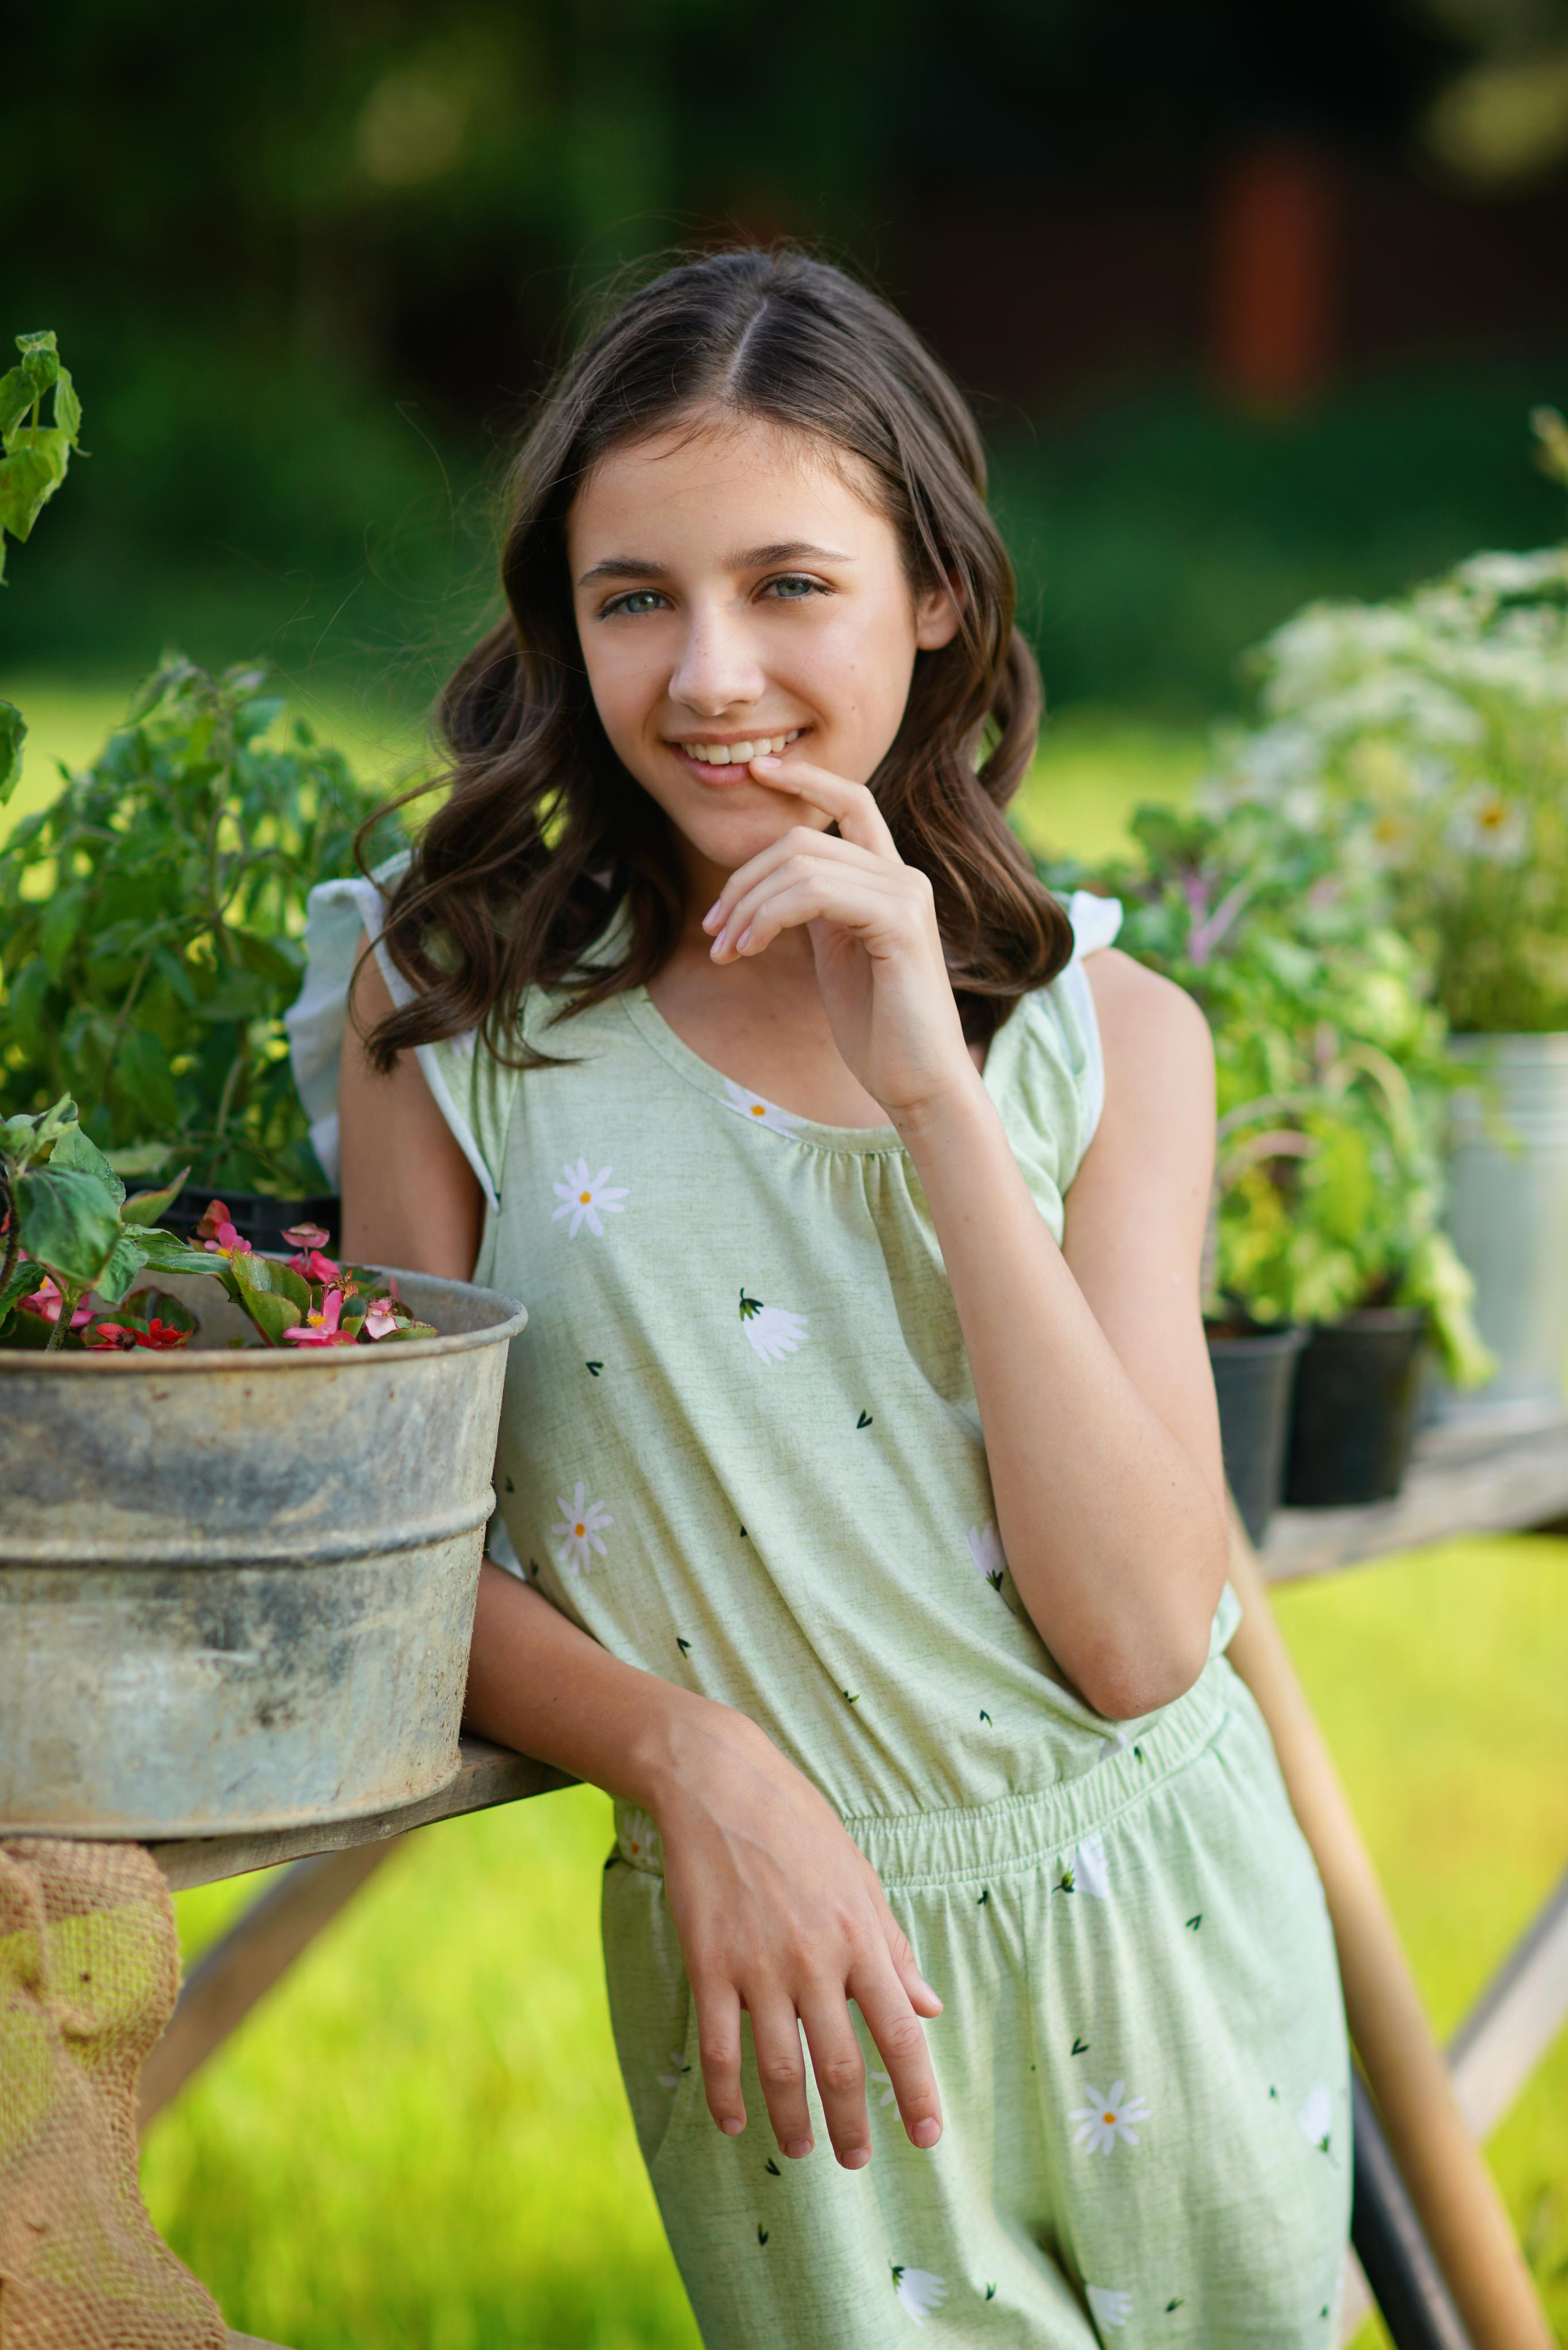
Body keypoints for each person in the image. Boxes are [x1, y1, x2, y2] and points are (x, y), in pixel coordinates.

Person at [288, 248, 1350, 2346]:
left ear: (935, 594)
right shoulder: (453, 1013)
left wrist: (935, 1098)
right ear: (559, 621)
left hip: (1164, 1914)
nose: (709, 676)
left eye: (790, 586)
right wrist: (693, 1766)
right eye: (634, 599)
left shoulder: (1109, 1038)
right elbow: (389, 1544)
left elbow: (1144, 1639)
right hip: (785, 1967)